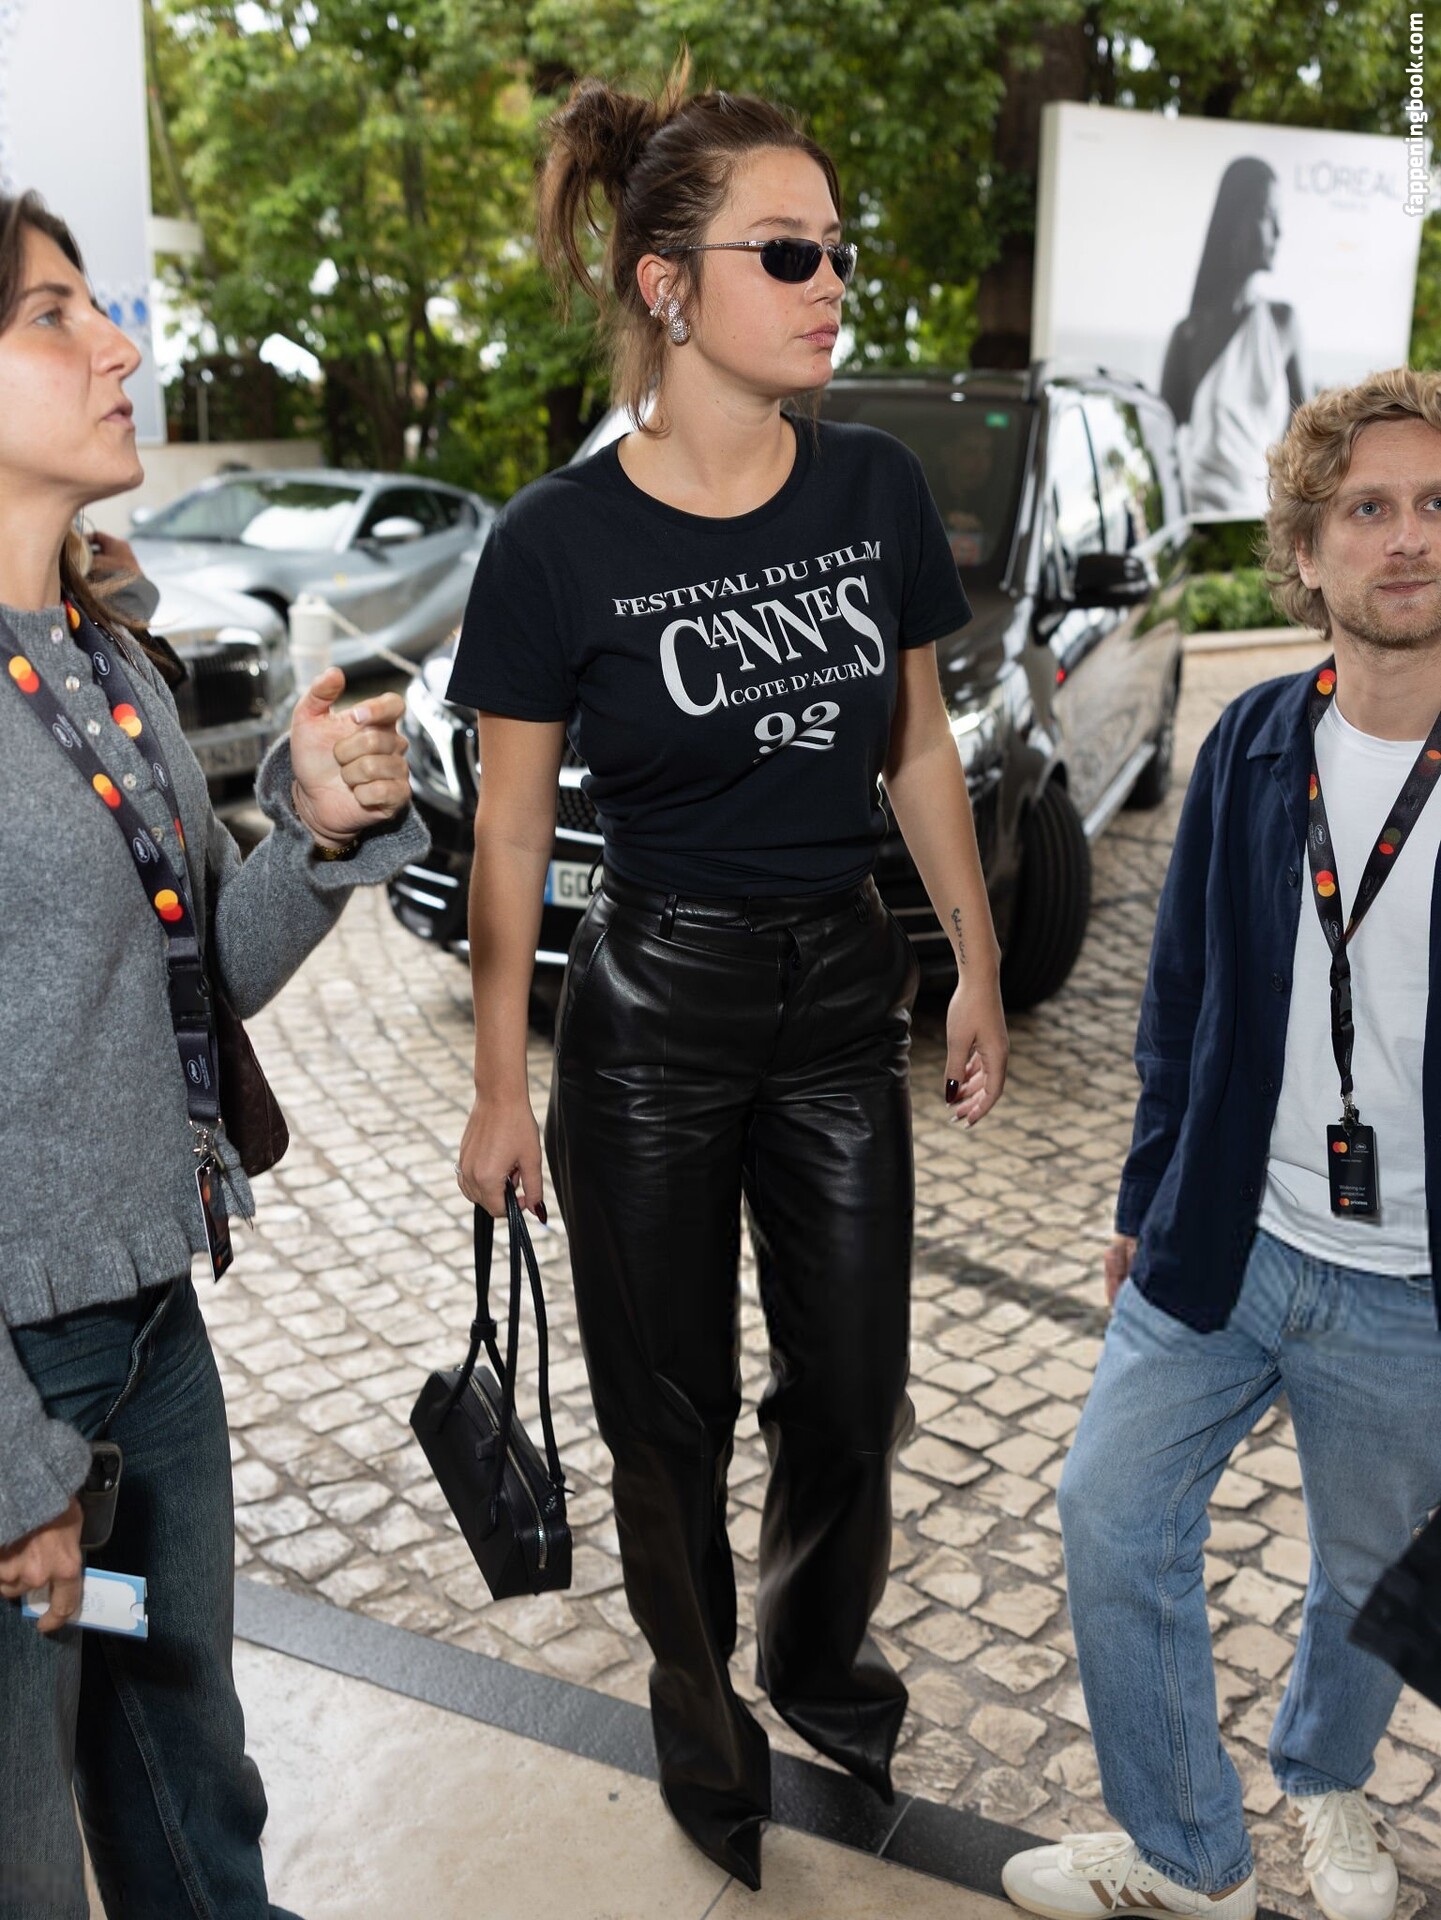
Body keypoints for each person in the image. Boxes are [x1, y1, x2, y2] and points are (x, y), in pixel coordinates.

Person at [450, 60, 1007, 1892]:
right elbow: (510, 840)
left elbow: (915, 745)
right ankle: (705, 1732)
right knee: (662, 1414)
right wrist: (500, 1087)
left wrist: (973, 963)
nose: (831, 282)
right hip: (652, 1023)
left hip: (842, 995)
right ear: (666, 283)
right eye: (789, 252)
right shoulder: (554, 543)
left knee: (851, 1392)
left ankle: (818, 1660)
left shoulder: (869, 487)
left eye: (838, 248)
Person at [0, 189, 425, 1918]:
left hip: (149, 1339)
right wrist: (10, 1467)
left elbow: (184, 991)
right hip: (19, 1379)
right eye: (51, 314)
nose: (117, 346)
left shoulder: (105, 659)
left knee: (186, 1767)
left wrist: (312, 836)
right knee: (23, 1851)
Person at [1002, 366, 1441, 1920]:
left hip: (1412, 1288)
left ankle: (1327, 1782)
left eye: (1434, 504)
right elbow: (1179, 997)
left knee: (1364, 1579)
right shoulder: (1254, 741)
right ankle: (1187, 1854)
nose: (1408, 537)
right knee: (1109, 1515)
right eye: (1367, 508)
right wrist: (1144, 1198)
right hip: (1230, 1239)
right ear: (1305, 553)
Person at [1160, 156, 1307, 517]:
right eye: (1266, 215)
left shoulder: (1282, 324)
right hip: (1196, 521)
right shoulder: (1188, 335)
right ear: (1234, 222)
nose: (1279, 231)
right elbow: (1160, 448)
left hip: (1264, 522)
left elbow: (1310, 442)